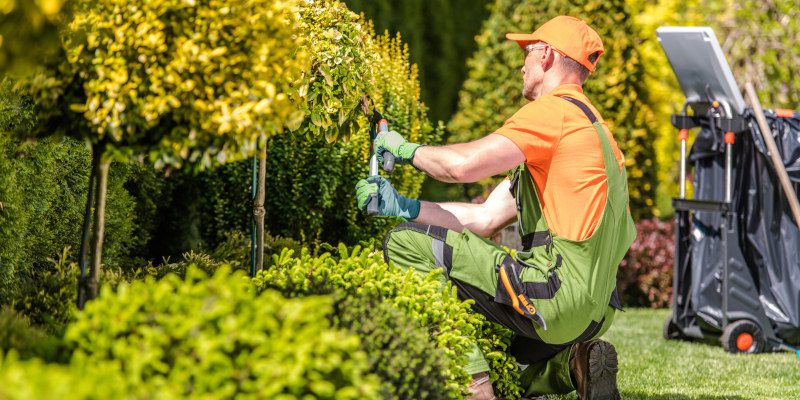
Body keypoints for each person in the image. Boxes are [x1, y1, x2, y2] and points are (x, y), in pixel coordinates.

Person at [355, 15, 636, 400]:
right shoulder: (596, 133)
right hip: (593, 313)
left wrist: (406, 151)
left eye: (528, 52)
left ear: (549, 56)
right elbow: (484, 218)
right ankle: (574, 365)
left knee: (404, 244)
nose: (522, 64)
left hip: (554, 296)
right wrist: (403, 205)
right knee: (504, 358)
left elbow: (461, 167)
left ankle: (475, 387)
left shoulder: (554, 113)